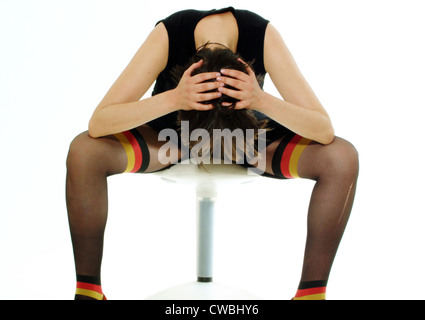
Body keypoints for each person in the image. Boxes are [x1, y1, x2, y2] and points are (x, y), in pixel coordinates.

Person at [66, 7, 359, 300]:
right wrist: (175, 98)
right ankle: (88, 294)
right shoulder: (170, 34)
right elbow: (98, 123)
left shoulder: (261, 35)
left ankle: (310, 295)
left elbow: (324, 130)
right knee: (84, 151)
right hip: (175, 137)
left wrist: (261, 99)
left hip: (242, 137)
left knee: (341, 157)